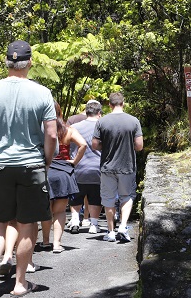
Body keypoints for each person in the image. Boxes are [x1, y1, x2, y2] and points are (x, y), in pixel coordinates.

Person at [0, 40, 57, 298]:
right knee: (26, 222)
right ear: (29, 63)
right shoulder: (42, 92)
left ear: (7, 62)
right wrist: (46, 160)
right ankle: (20, 283)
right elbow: (52, 134)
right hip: (30, 164)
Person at [92, 92, 143, 241]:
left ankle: (111, 232)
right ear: (123, 103)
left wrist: (107, 146)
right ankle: (123, 226)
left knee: (108, 199)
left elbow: (95, 145)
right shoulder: (133, 121)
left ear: (109, 104)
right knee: (126, 196)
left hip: (107, 167)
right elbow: (139, 146)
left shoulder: (102, 122)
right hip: (127, 166)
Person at [40, 102, 87, 253]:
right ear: (60, 112)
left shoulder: (42, 131)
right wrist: (74, 161)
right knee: (59, 211)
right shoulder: (69, 130)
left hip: (46, 171)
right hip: (63, 173)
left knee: (46, 209)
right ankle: (57, 244)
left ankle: (45, 241)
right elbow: (83, 145)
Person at [68, 100, 103, 234]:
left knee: (77, 196)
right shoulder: (102, 126)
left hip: (78, 166)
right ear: (99, 113)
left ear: (86, 112)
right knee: (95, 197)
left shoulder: (75, 127)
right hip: (98, 167)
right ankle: (93, 224)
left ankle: (75, 221)